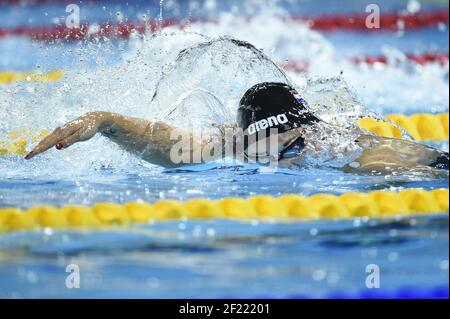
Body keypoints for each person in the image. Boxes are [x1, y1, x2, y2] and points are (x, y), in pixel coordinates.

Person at [25, 82, 449, 175]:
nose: (285, 150)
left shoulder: (355, 152)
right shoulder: (244, 143)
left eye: (289, 143)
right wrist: (104, 122)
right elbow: (170, 143)